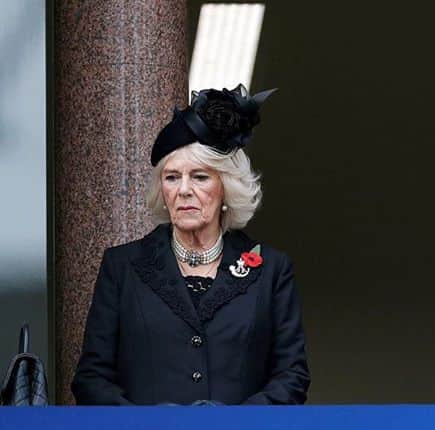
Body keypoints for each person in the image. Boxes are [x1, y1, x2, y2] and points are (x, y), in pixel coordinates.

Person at [72, 85, 310, 405]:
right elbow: (91, 378)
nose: (184, 190)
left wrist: (233, 424)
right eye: (172, 178)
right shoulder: (122, 267)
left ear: (226, 187)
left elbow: (292, 376)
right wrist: (146, 426)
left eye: (199, 177)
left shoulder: (271, 270)